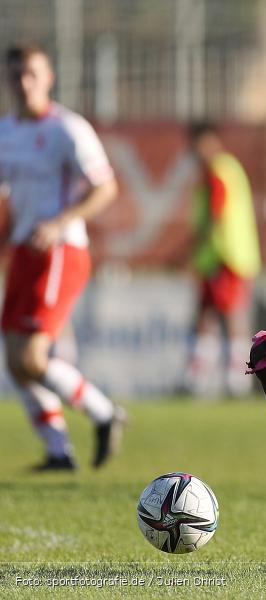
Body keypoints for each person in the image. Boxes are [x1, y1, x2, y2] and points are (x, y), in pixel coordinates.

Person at [0, 44, 124, 471]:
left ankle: (104, 412)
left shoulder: (68, 129)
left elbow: (105, 188)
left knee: (30, 357)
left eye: (31, 74)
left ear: (48, 77)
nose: (23, 82)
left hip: (60, 249)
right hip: (22, 252)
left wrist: (57, 223)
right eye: (16, 75)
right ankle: (57, 450)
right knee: (14, 361)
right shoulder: (5, 132)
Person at [183, 122, 261, 397]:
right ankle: (196, 377)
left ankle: (236, 380)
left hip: (227, 255)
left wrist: (189, 247)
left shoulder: (219, 170)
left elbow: (215, 215)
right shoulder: (218, 170)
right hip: (214, 256)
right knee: (204, 316)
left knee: (230, 316)